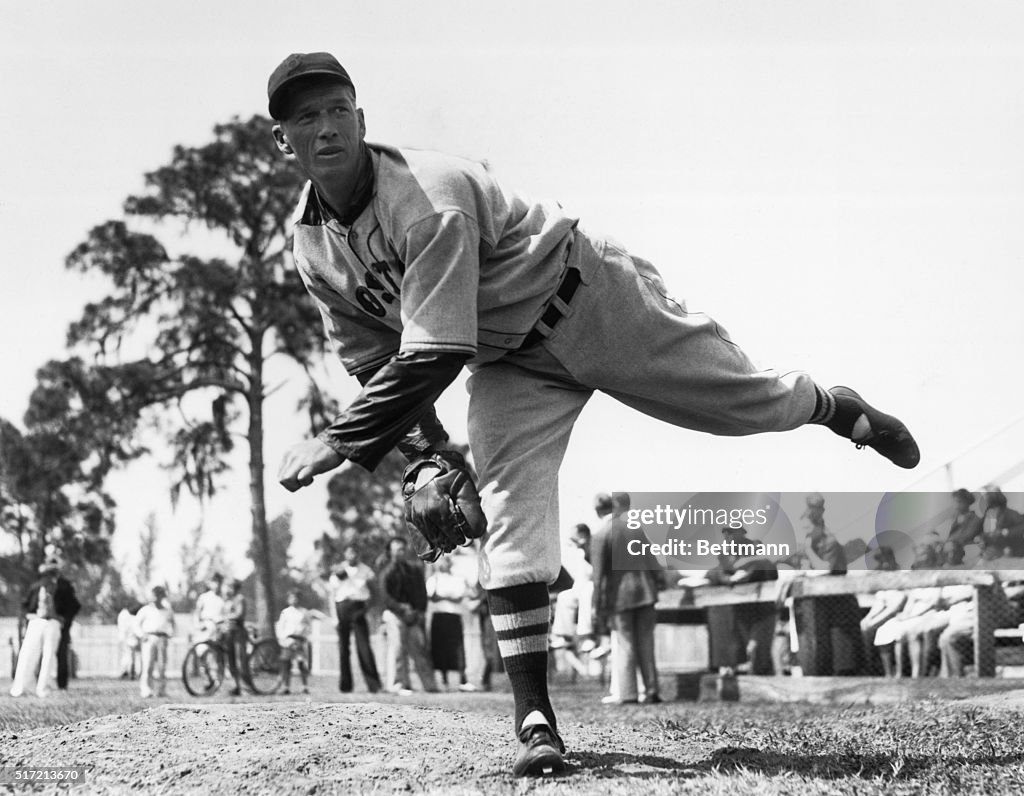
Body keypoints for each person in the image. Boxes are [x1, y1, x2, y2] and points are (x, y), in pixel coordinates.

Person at [268, 51, 920, 776]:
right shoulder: (311, 245)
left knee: (745, 403)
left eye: (336, 110)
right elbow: (370, 355)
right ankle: (536, 721)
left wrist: (340, 438)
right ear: (283, 140)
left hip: (587, 298)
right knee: (511, 514)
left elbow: (433, 352)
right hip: (507, 363)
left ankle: (839, 409)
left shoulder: (428, 194)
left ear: (361, 120)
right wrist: (423, 452)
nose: (325, 127)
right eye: (305, 117)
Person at [592, 493, 663, 705]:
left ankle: (629, 693)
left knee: (625, 644)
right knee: (646, 644)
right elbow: (654, 564)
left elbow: (598, 578)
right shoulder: (635, 528)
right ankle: (651, 691)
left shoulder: (600, 534)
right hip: (645, 592)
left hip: (619, 597)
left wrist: (597, 605)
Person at [792, 493, 865, 676]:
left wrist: (808, 551)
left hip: (841, 602)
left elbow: (825, 568)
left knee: (844, 652)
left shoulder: (830, 542)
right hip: (824, 604)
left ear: (817, 525)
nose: (805, 533)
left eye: (807, 528)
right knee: (826, 652)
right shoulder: (813, 544)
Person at [705, 526, 779, 675]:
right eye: (725, 533)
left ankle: (762, 673)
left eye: (731, 532)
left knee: (760, 651)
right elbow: (714, 572)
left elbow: (765, 566)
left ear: (741, 533)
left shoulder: (753, 547)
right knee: (745, 648)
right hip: (739, 610)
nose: (727, 536)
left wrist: (743, 569)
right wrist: (728, 579)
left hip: (760, 608)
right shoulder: (724, 551)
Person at [378, 537, 438, 694]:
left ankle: (430, 686)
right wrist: (402, 609)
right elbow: (385, 597)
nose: (400, 552)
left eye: (402, 549)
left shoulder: (414, 570)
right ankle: (397, 685)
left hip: (414, 615)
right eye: (396, 549)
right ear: (390, 552)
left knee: (419, 649)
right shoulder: (386, 572)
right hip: (394, 614)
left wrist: (419, 612)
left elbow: (421, 593)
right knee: (397, 648)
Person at [330, 545, 383, 693]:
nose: (352, 555)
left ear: (359, 554)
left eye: (355, 552)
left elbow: (375, 592)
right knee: (343, 649)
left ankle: (374, 685)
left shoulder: (366, 571)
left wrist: (367, 609)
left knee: (364, 647)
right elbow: (332, 595)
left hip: (358, 608)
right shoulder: (338, 570)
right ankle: (345, 686)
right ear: (345, 554)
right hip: (342, 608)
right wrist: (334, 617)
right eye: (349, 552)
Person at [9, 559, 64, 698]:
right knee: (47, 656)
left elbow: (24, 607)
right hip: (47, 622)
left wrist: (27, 617)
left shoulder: (35, 586)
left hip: (36, 622)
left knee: (29, 655)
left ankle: (20, 688)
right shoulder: (59, 588)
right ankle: (42, 689)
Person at [426, 556, 471, 689]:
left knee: (458, 648)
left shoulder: (457, 579)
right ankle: (444, 679)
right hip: (439, 616)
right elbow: (432, 597)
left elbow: (458, 597)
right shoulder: (434, 579)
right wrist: (448, 597)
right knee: (440, 648)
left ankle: (463, 679)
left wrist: (442, 597)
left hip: (454, 615)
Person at [136, 585, 176, 698]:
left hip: (162, 638)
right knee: (148, 665)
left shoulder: (167, 610)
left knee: (162, 666)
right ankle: (146, 689)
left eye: (159, 595)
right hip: (149, 638)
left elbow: (173, 623)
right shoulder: (145, 610)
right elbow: (136, 624)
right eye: (155, 595)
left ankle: (161, 690)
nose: (157, 598)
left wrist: (170, 633)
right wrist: (141, 635)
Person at [276, 590, 312, 694]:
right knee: (286, 664)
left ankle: (304, 686)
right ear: (288, 600)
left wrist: (303, 638)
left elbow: (308, 627)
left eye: (296, 598)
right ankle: (286, 687)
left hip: (299, 640)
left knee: (301, 663)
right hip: (288, 640)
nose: (294, 600)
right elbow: (280, 626)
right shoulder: (285, 612)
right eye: (292, 598)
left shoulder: (304, 612)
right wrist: (283, 639)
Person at [52, 560, 80, 691]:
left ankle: (62, 683)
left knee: (62, 654)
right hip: (43, 623)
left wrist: (66, 621)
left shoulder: (64, 585)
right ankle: (39, 682)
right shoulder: (41, 584)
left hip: (61, 625)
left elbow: (75, 605)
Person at [223, 578, 250, 696]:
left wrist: (227, 617)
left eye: (231, 587)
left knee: (241, 660)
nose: (229, 589)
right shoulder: (228, 600)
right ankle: (236, 686)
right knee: (231, 661)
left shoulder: (240, 598)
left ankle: (246, 688)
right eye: (228, 586)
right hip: (229, 632)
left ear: (236, 588)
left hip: (238, 632)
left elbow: (239, 614)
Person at [193, 573, 226, 643]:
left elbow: (225, 615)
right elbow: (197, 613)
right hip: (205, 627)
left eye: (219, 582)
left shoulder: (223, 599)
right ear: (210, 583)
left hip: (219, 630)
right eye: (214, 582)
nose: (217, 585)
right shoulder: (204, 597)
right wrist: (199, 625)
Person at [117, 601, 143, 679]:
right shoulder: (132, 618)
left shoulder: (124, 615)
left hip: (126, 639)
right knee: (133, 657)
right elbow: (137, 630)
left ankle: (128, 672)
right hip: (132, 639)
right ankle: (132, 672)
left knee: (129, 656)